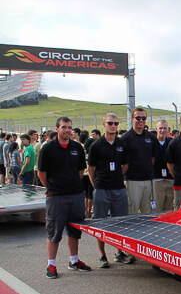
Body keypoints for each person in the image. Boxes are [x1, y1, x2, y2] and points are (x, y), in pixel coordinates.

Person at [38, 116, 91, 278]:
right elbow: (41, 173)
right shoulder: (48, 148)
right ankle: (51, 264)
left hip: (75, 195)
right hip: (56, 197)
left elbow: (81, 171)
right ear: (57, 129)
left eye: (70, 127)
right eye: (64, 127)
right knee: (54, 232)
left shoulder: (77, 148)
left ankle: (74, 261)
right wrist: (54, 187)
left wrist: (72, 185)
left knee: (74, 231)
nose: (67, 130)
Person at [87, 113, 132, 267]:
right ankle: (102, 254)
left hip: (119, 188)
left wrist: (118, 175)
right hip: (102, 188)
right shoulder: (96, 145)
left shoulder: (121, 144)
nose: (113, 126)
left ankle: (119, 252)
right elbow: (90, 169)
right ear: (104, 124)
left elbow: (125, 165)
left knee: (120, 222)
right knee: (100, 222)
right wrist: (96, 184)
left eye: (115, 123)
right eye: (110, 123)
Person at [122, 107, 158, 214]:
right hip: (133, 181)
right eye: (138, 118)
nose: (141, 121)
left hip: (148, 180)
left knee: (148, 213)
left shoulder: (151, 137)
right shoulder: (125, 138)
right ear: (132, 119)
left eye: (143, 118)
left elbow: (153, 158)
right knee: (132, 211)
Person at [153, 119, 174, 211]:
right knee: (157, 207)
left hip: (170, 179)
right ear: (156, 129)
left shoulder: (172, 143)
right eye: (160, 128)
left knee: (169, 208)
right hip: (157, 180)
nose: (163, 130)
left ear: (168, 130)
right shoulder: (152, 143)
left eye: (165, 128)